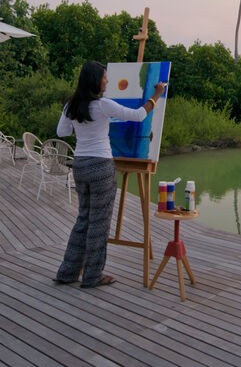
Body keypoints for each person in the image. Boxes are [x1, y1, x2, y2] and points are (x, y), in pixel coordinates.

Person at [54, 61, 165, 288]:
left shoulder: (71, 105)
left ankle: (67, 272)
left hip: (80, 166)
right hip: (101, 167)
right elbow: (138, 115)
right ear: (96, 80)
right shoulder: (103, 105)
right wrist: (155, 95)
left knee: (83, 219)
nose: (107, 81)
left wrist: (81, 126)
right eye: (105, 77)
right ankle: (93, 276)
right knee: (99, 223)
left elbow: (61, 132)